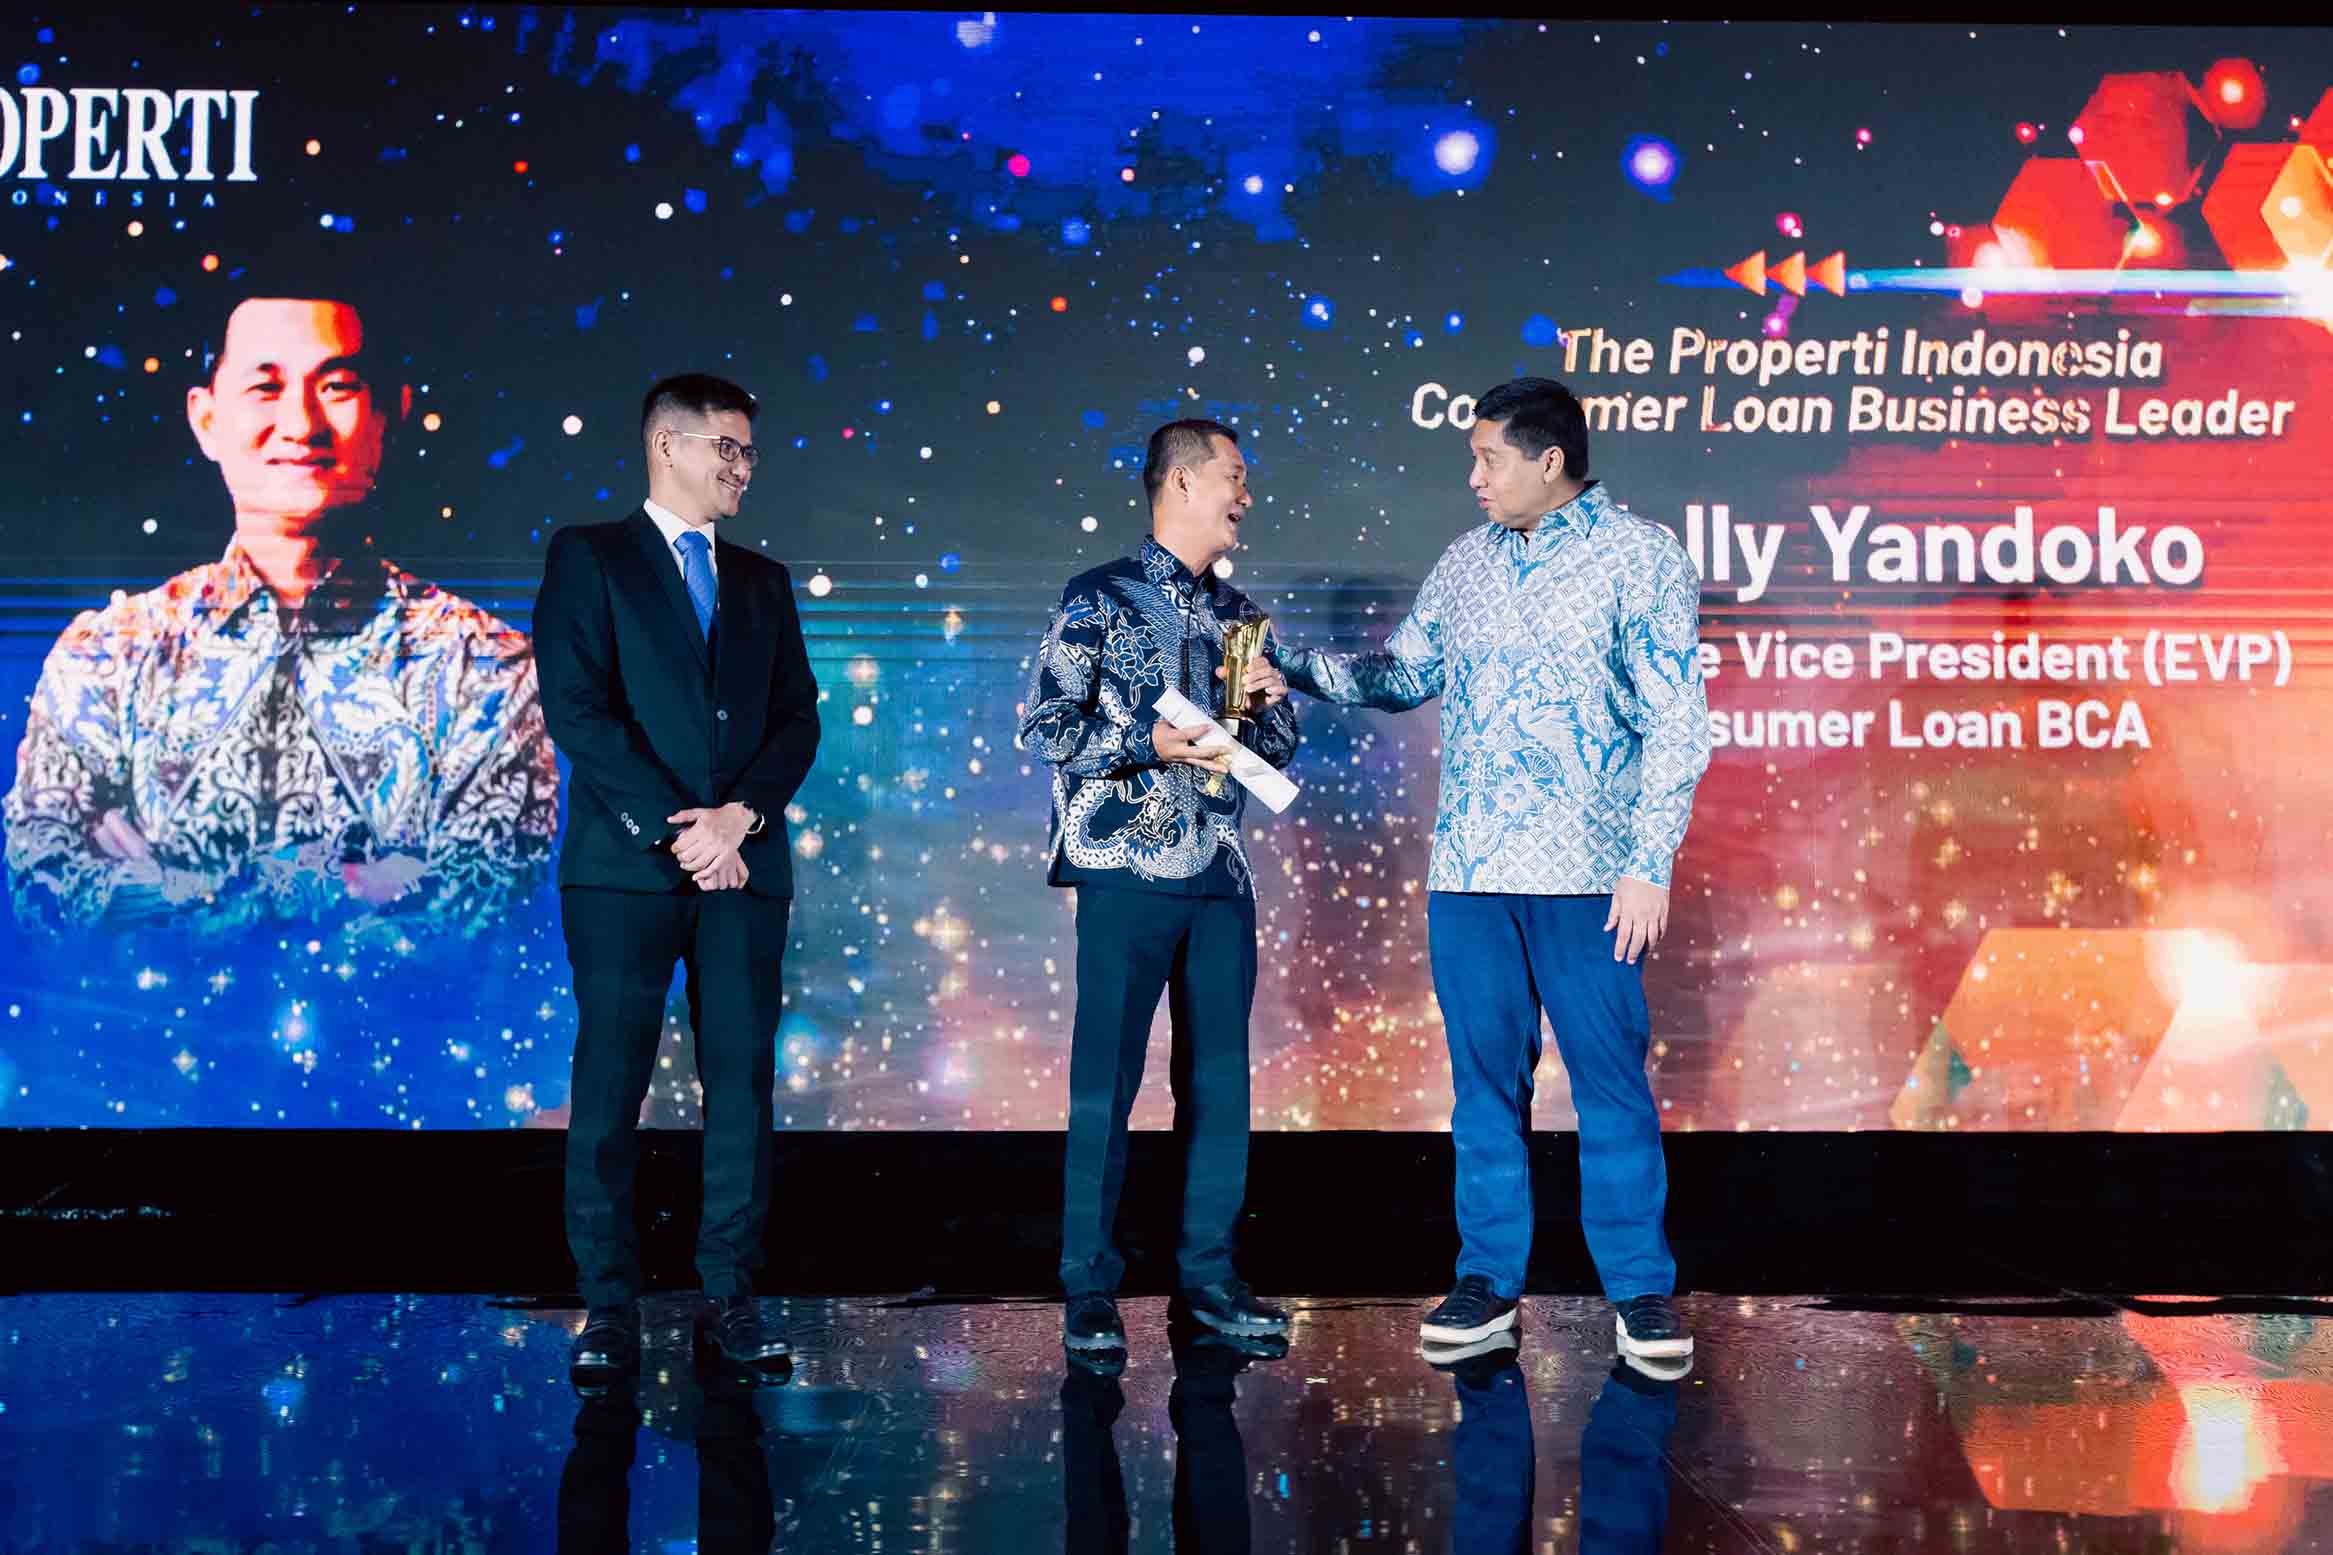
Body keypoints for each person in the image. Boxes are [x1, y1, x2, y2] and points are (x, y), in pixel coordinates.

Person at [1270, 378, 1710, 1363]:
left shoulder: (1639, 556)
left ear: (1548, 460)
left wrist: (1648, 863)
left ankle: (1639, 1292)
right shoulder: (1465, 561)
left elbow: (1677, 722)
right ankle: (1484, 1283)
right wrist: (1287, 668)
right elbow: (1399, 675)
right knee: (1481, 1091)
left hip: (1591, 876)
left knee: (1608, 1085)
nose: (1472, 477)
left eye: (1487, 458)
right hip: (1470, 873)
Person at [2, 292, 558, 937]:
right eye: (265, 388)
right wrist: (369, 886)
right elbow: (41, 899)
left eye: (337, 386)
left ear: (389, 414)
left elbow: (485, 921)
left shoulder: (487, 669)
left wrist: (168, 887)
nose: (300, 423)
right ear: (207, 419)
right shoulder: (108, 657)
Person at [534, 372, 820, 1389]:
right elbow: (577, 710)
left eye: (748, 451)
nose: (743, 468)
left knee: (739, 1086)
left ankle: (729, 1292)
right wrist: (680, 830)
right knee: (608, 1086)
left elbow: (796, 719)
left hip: (743, 866)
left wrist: (739, 819)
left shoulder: (763, 581)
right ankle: (607, 1304)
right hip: (624, 873)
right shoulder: (590, 556)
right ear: (668, 445)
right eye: (726, 448)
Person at [1017, 419, 1300, 1355]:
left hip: (1219, 872)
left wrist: (1268, 709)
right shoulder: (1097, 597)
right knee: (1104, 1079)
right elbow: (1049, 727)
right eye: (1233, 477)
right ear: (1180, 483)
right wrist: (1147, 740)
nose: (1245, 496)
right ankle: (1087, 1284)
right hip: (1122, 870)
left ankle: (1209, 1277)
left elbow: (1274, 753)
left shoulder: (1241, 617)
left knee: (1218, 1082)